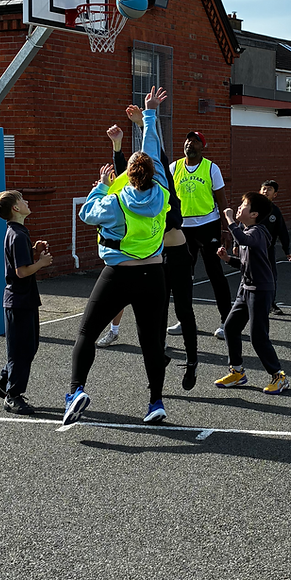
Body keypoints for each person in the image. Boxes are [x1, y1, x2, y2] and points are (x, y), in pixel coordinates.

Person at [63, 86, 170, 427]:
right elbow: (152, 146)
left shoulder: (115, 200)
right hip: (154, 275)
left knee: (86, 333)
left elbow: (87, 215)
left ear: (128, 176)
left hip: (119, 273)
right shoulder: (164, 191)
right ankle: (156, 402)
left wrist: (100, 184)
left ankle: (75, 391)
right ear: (153, 174)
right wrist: (149, 115)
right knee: (151, 343)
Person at [103, 109, 200, 390]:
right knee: (155, 315)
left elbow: (155, 153)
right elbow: (123, 176)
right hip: (155, 260)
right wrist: (118, 147)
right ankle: (158, 363)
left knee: (183, 310)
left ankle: (192, 362)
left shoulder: (162, 186)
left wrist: (147, 120)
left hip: (178, 255)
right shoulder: (134, 192)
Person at [214, 191, 288, 394]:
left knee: (258, 336)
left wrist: (229, 219)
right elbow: (246, 264)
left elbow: (242, 239)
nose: (239, 208)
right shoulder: (248, 232)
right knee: (230, 327)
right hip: (245, 289)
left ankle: (278, 376)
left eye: (243, 205)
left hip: (261, 290)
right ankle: (237, 372)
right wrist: (229, 259)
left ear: (254, 214)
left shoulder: (257, 232)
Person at [0, 190, 52, 416]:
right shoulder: (17, 235)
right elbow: (22, 271)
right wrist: (42, 262)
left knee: (29, 346)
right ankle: (13, 396)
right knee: (21, 351)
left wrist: (33, 251)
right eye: (22, 200)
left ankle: (3, 382)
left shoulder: (18, 233)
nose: (26, 202)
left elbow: (20, 259)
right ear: (16, 208)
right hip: (18, 301)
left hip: (23, 299)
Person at [170, 131, 231, 338]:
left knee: (215, 273)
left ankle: (226, 320)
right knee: (182, 277)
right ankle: (185, 320)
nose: (190, 143)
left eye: (195, 141)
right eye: (188, 140)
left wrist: (226, 228)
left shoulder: (211, 168)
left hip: (208, 225)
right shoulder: (174, 167)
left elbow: (222, 200)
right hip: (182, 228)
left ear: (202, 147)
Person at [259, 179, 291, 315]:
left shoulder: (275, 212)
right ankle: (248, 303)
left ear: (275, 195)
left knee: (271, 276)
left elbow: (282, 231)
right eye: (264, 189)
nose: (266, 191)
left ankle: (271, 303)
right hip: (252, 249)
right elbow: (241, 225)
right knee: (249, 276)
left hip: (268, 250)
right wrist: (237, 245)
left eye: (269, 189)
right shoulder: (251, 207)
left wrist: (287, 250)